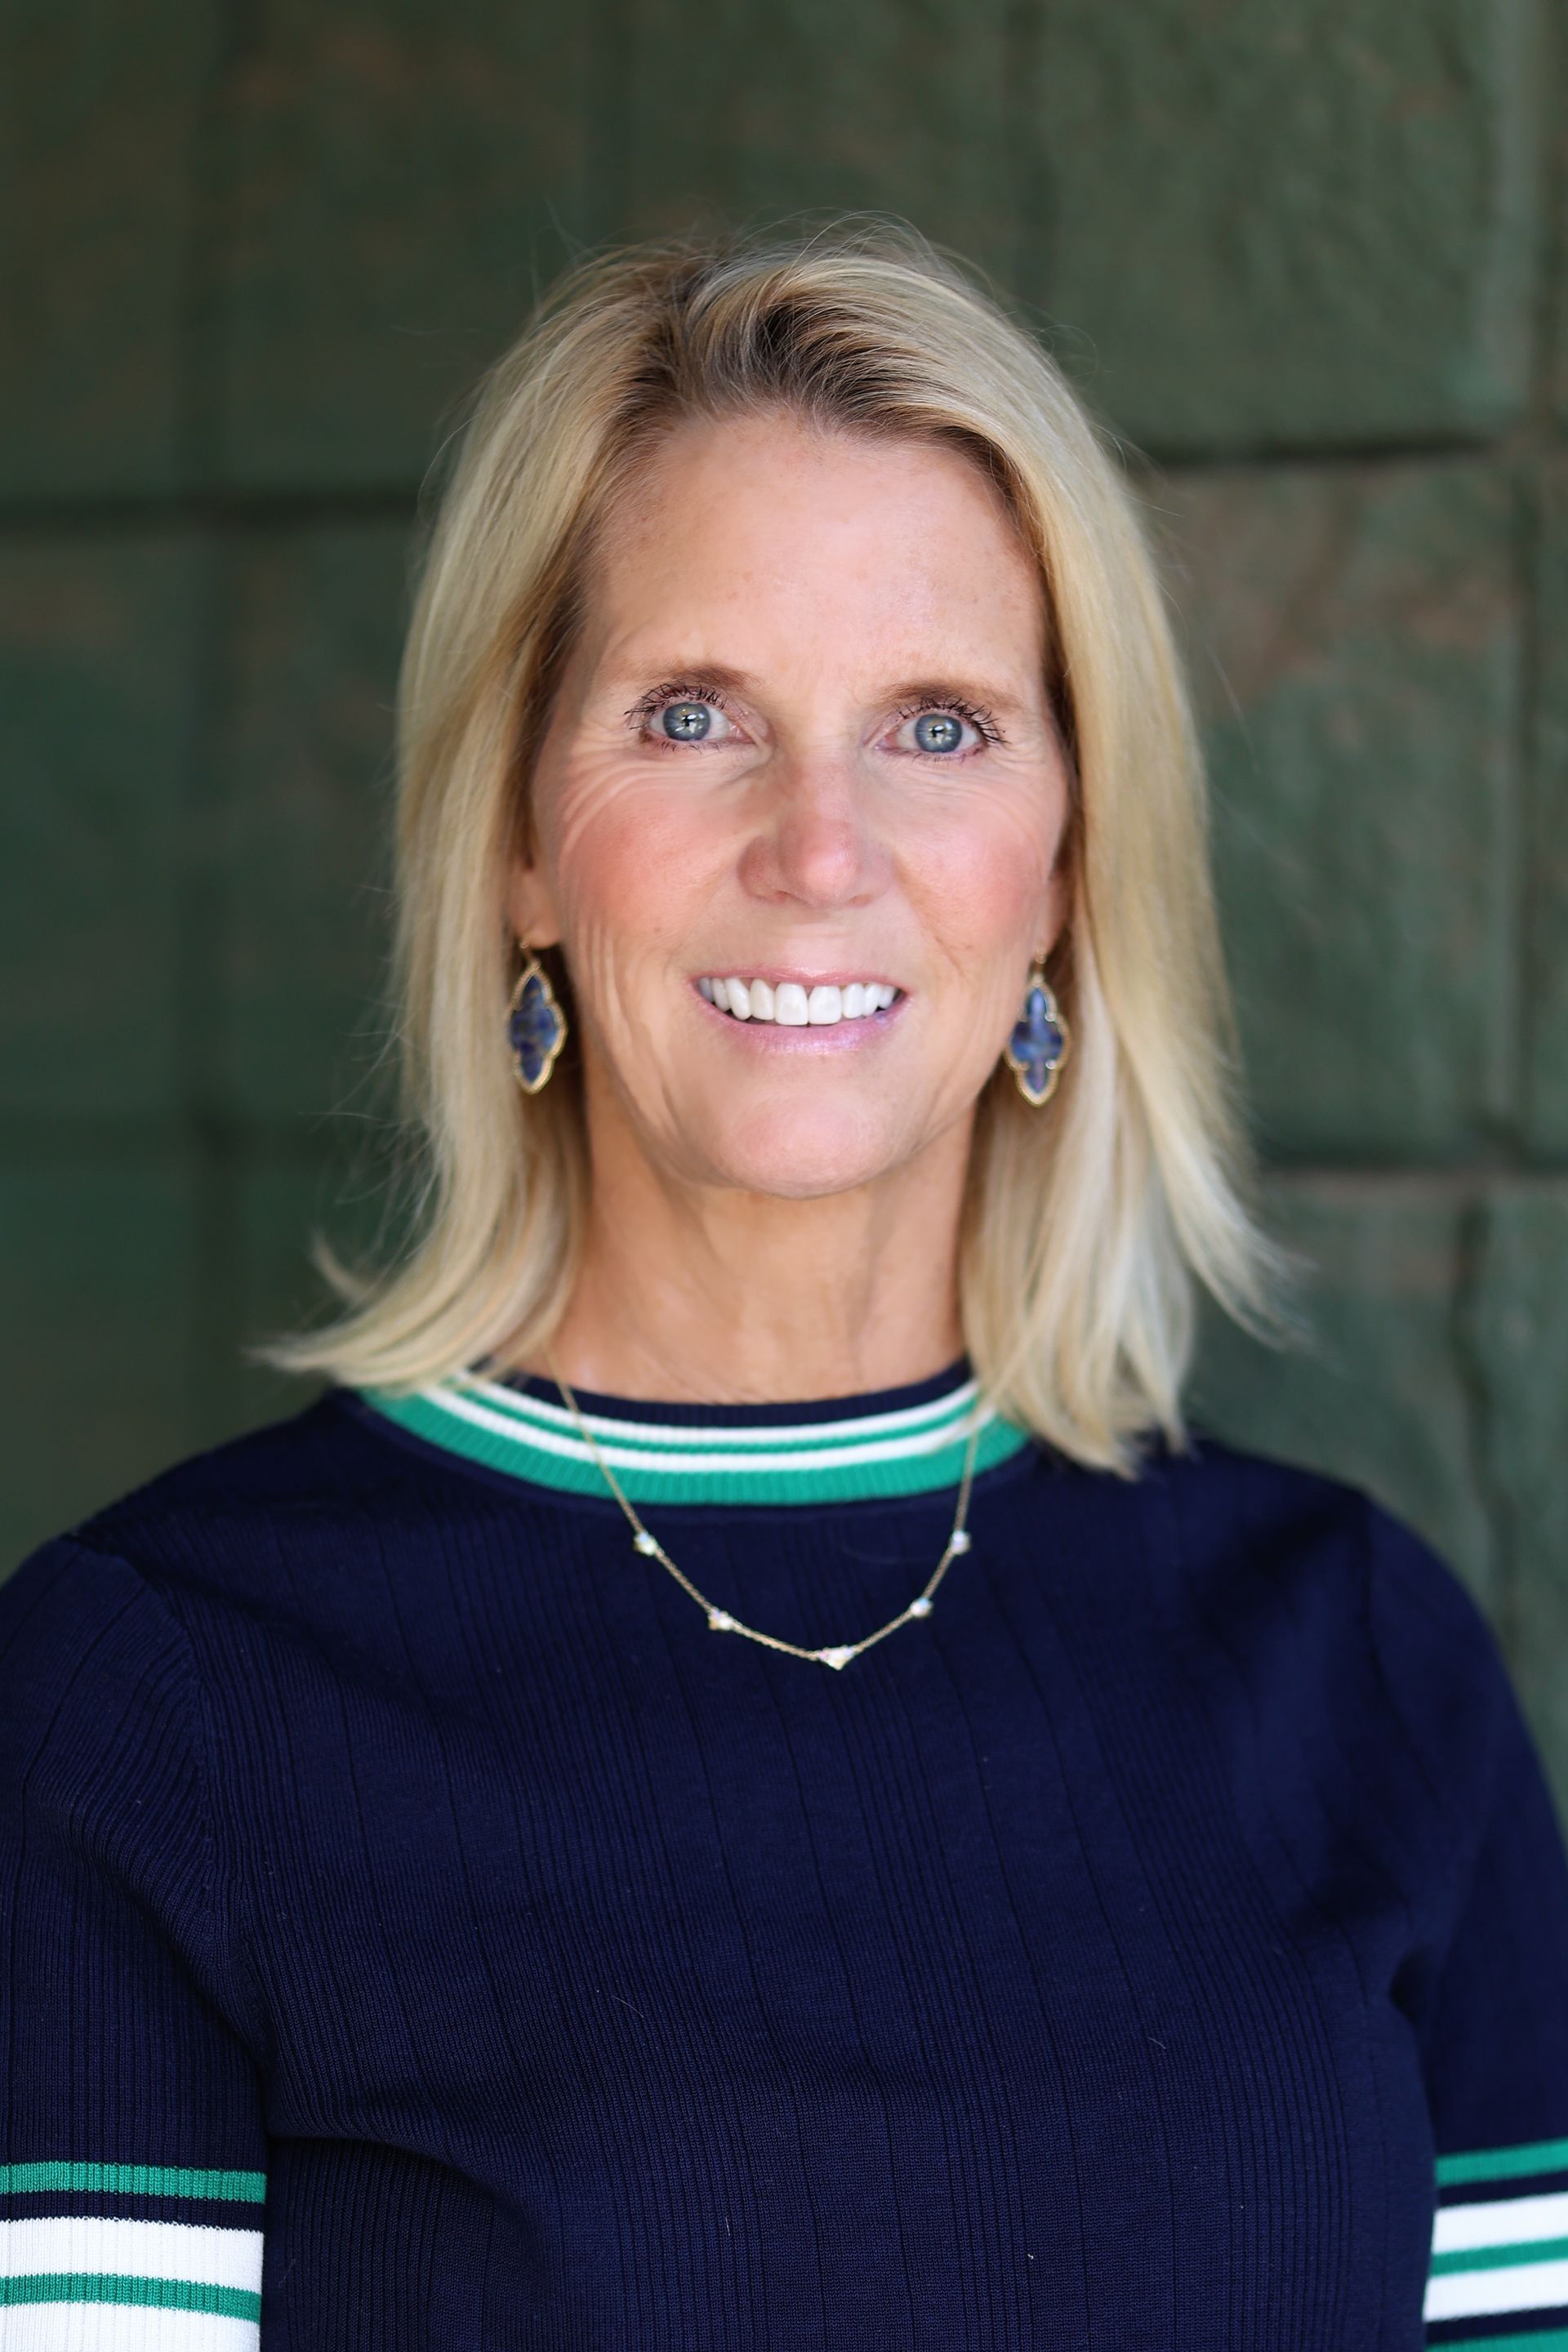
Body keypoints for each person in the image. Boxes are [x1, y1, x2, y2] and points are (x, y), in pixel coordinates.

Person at [2, 222, 1565, 2352]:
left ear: (1070, 872)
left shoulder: (1361, 1667)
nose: (820, 849)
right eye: (689, 712)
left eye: (937, 724)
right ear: (519, 849)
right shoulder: (153, 1700)